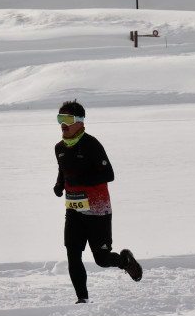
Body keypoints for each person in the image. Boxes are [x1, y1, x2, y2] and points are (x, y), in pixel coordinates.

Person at [53, 99, 142, 302]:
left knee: (101, 260)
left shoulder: (91, 145)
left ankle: (125, 261)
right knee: (73, 254)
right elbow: (63, 170)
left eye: (68, 119)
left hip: (97, 209)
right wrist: (59, 184)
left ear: (80, 122)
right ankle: (82, 300)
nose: (63, 124)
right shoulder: (59, 148)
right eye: (60, 119)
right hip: (73, 210)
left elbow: (109, 174)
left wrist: (80, 181)